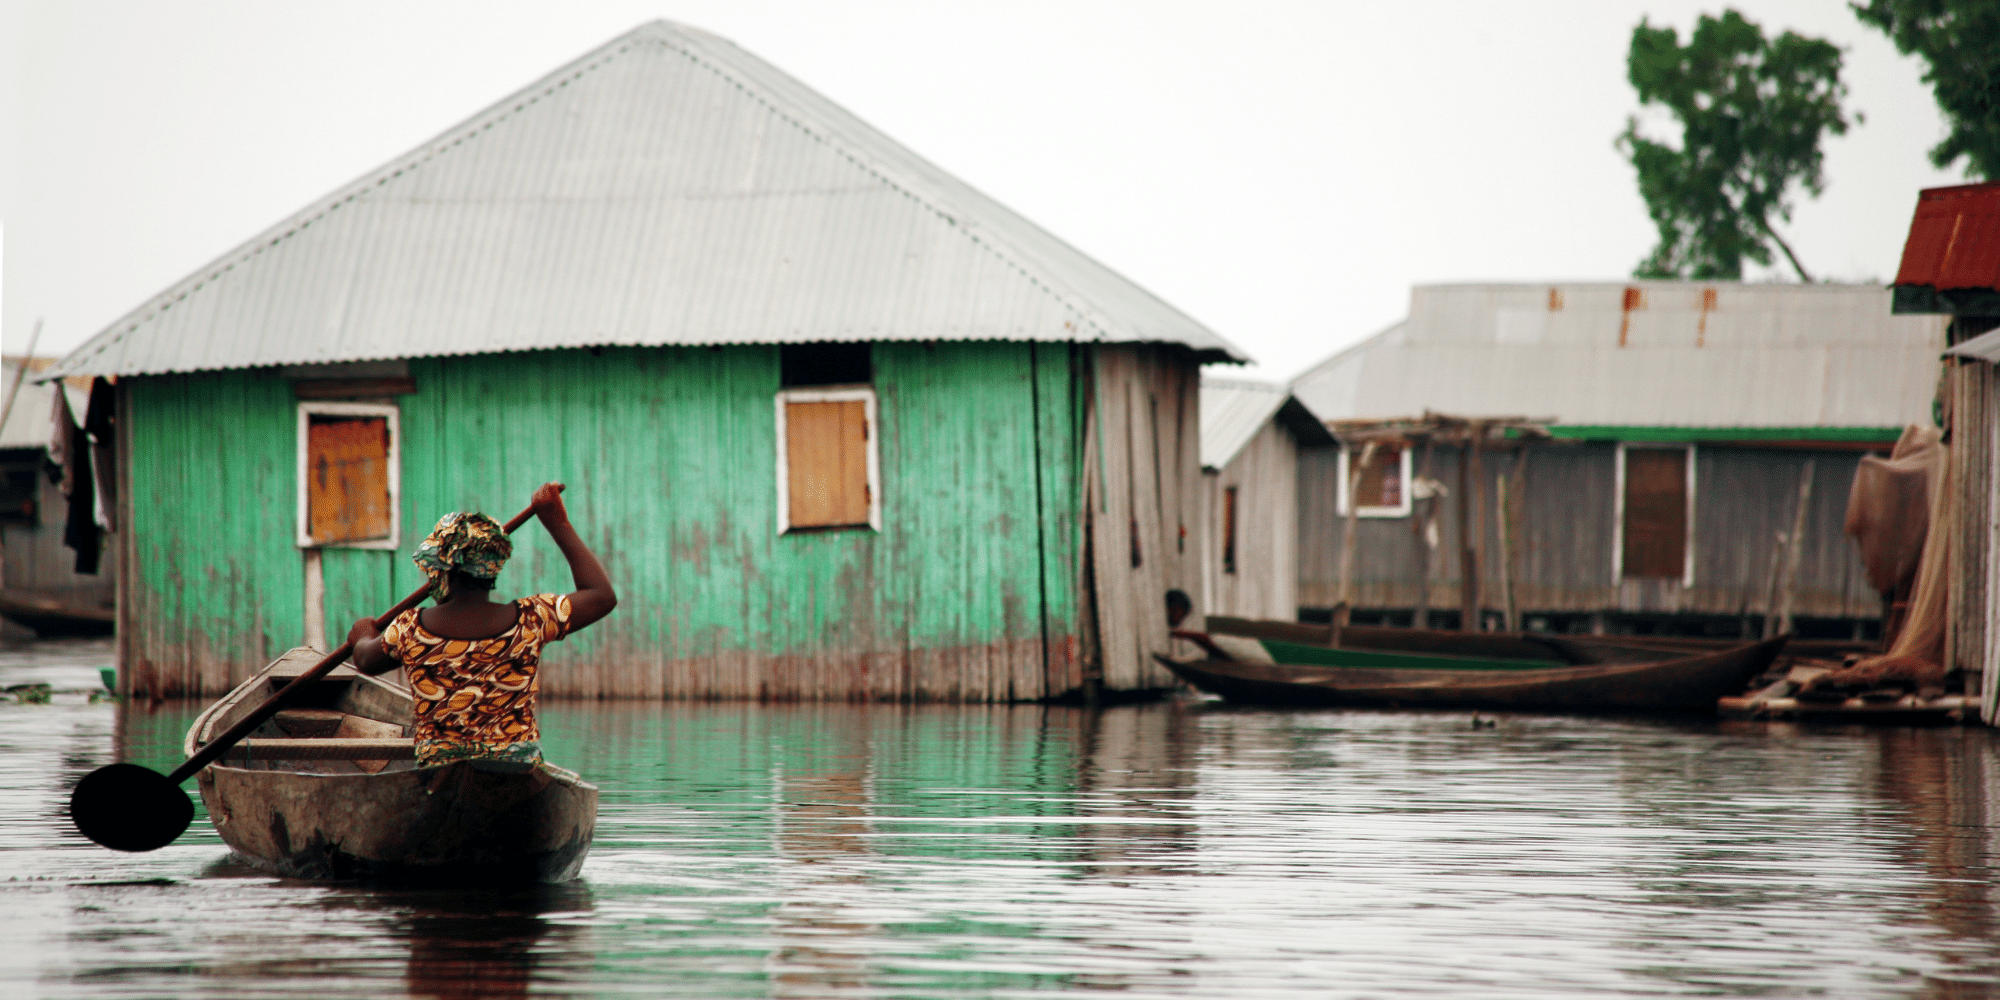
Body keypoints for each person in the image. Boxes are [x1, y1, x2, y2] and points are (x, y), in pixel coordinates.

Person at [347, 482, 617, 768]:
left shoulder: (410, 628)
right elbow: (601, 596)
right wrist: (557, 523)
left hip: (439, 768)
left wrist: (363, 632)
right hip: (518, 767)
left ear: (441, 570)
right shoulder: (532, 619)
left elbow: (365, 659)